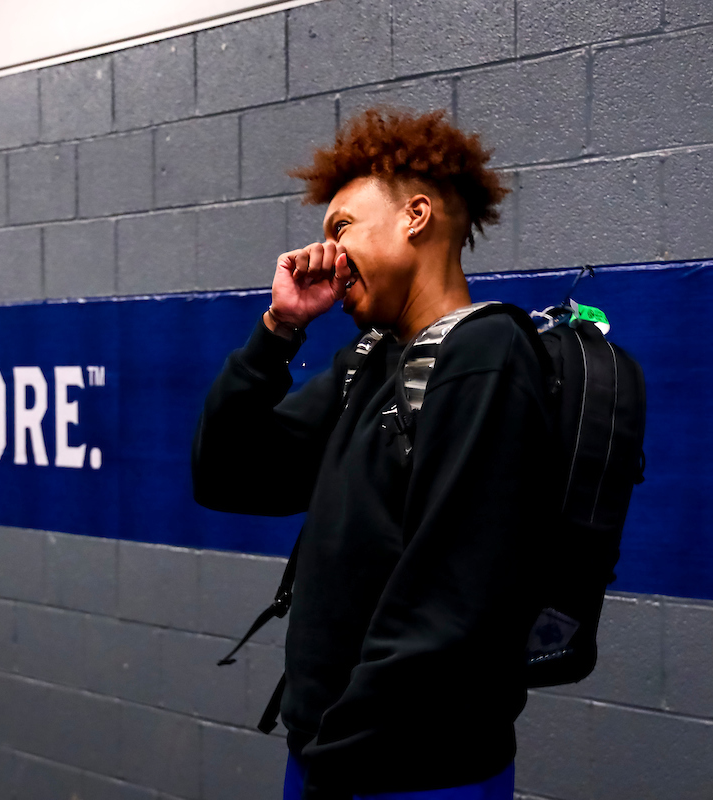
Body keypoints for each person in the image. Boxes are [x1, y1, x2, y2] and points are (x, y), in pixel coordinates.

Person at [192, 108, 553, 800]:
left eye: (342, 227)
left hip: (410, 769)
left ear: (415, 216)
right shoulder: (368, 362)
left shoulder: (486, 356)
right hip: (332, 754)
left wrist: (342, 757)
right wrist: (279, 329)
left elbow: (451, 600)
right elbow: (225, 474)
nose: (326, 251)